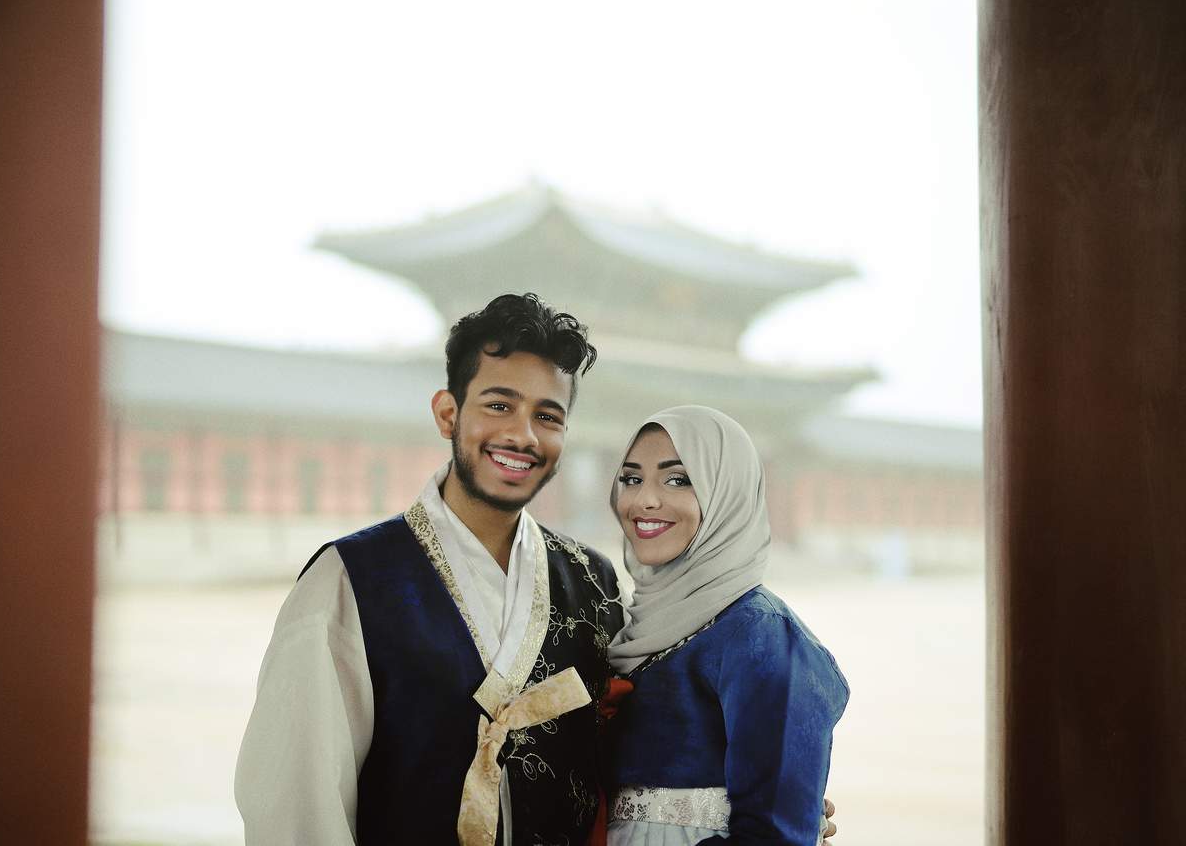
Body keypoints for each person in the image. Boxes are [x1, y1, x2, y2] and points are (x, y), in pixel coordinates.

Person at [235, 293, 625, 846]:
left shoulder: (594, 581)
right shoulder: (352, 581)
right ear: (447, 413)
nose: (523, 436)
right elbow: (298, 804)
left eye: (547, 416)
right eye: (498, 405)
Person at [604, 406, 849, 846]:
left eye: (678, 479)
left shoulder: (760, 634)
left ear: (727, 492)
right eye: (631, 478)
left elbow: (775, 833)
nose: (643, 500)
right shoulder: (634, 625)